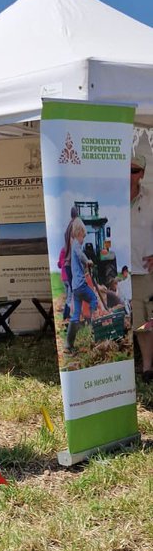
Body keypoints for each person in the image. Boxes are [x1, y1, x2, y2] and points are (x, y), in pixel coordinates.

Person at [129, 153, 153, 382]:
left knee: (146, 321)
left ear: (142, 174)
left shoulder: (151, 199)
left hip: (144, 271)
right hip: (117, 272)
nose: (129, 175)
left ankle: (147, 367)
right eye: (125, 170)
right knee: (135, 322)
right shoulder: (110, 198)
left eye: (134, 171)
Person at [66, 219, 98, 353]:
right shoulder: (76, 245)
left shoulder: (73, 245)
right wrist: (88, 261)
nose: (83, 240)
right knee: (94, 299)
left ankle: (69, 345)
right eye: (83, 236)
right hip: (80, 285)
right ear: (79, 233)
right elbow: (80, 254)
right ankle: (92, 326)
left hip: (75, 287)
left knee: (75, 315)